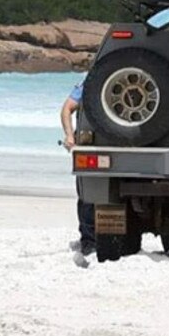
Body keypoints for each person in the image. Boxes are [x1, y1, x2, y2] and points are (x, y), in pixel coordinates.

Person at [60, 81, 94, 255]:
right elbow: (67, 108)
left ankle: (89, 240)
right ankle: (88, 239)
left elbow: (67, 108)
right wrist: (69, 135)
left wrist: (69, 135)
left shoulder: (91, 80)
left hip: (90, 141)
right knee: (87, 194)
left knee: (87, 193)